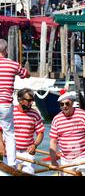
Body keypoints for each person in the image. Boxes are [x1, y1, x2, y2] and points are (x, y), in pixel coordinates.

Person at [49, 92, 85, 176]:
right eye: (62, 104)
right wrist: (53, 160)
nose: (64, 106)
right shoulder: (56, 119)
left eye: (67, 103)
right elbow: (53, 141)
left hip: (83, 155)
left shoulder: (82, 115)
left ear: (72, 103)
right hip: (65, 158)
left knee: (82, 173)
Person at [0, 39, 30, 168]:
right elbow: (26, 74)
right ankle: (11, 163)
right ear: (6, 50)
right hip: (5, 104)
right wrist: (25, 72)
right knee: (9, 133)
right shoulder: (12, 64)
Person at [10, 89, 44, 174]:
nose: (31, 103)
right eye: (28, 100)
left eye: (32, 100)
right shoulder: (10, 112)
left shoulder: (35, 114)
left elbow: (40, 132)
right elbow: (2, 130)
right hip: (11, 151)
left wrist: (35, 145)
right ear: (20, 100)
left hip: (27, 153)